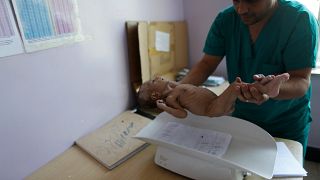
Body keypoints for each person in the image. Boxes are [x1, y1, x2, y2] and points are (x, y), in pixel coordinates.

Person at [163, 0, 319, 156]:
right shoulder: (226, 19)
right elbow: (206, 63)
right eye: (236, 0)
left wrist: (274, 89)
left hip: (285, 123)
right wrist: (177, 90)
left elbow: (301, 81)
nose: (241, 9)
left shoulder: (300, 19)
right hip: (242, 119)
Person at [138, 73, 289, 118]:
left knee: (239, 85)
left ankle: (267, 84)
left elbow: (186, 85)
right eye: (153, 81)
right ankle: (268, 88)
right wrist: (164, 107)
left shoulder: (175, 87)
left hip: (216, 101)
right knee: (236, 86)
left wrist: (169, 84)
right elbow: (182, 114)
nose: (157, 77)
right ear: (155, 95)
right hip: (212, 108)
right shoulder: (171, 99)